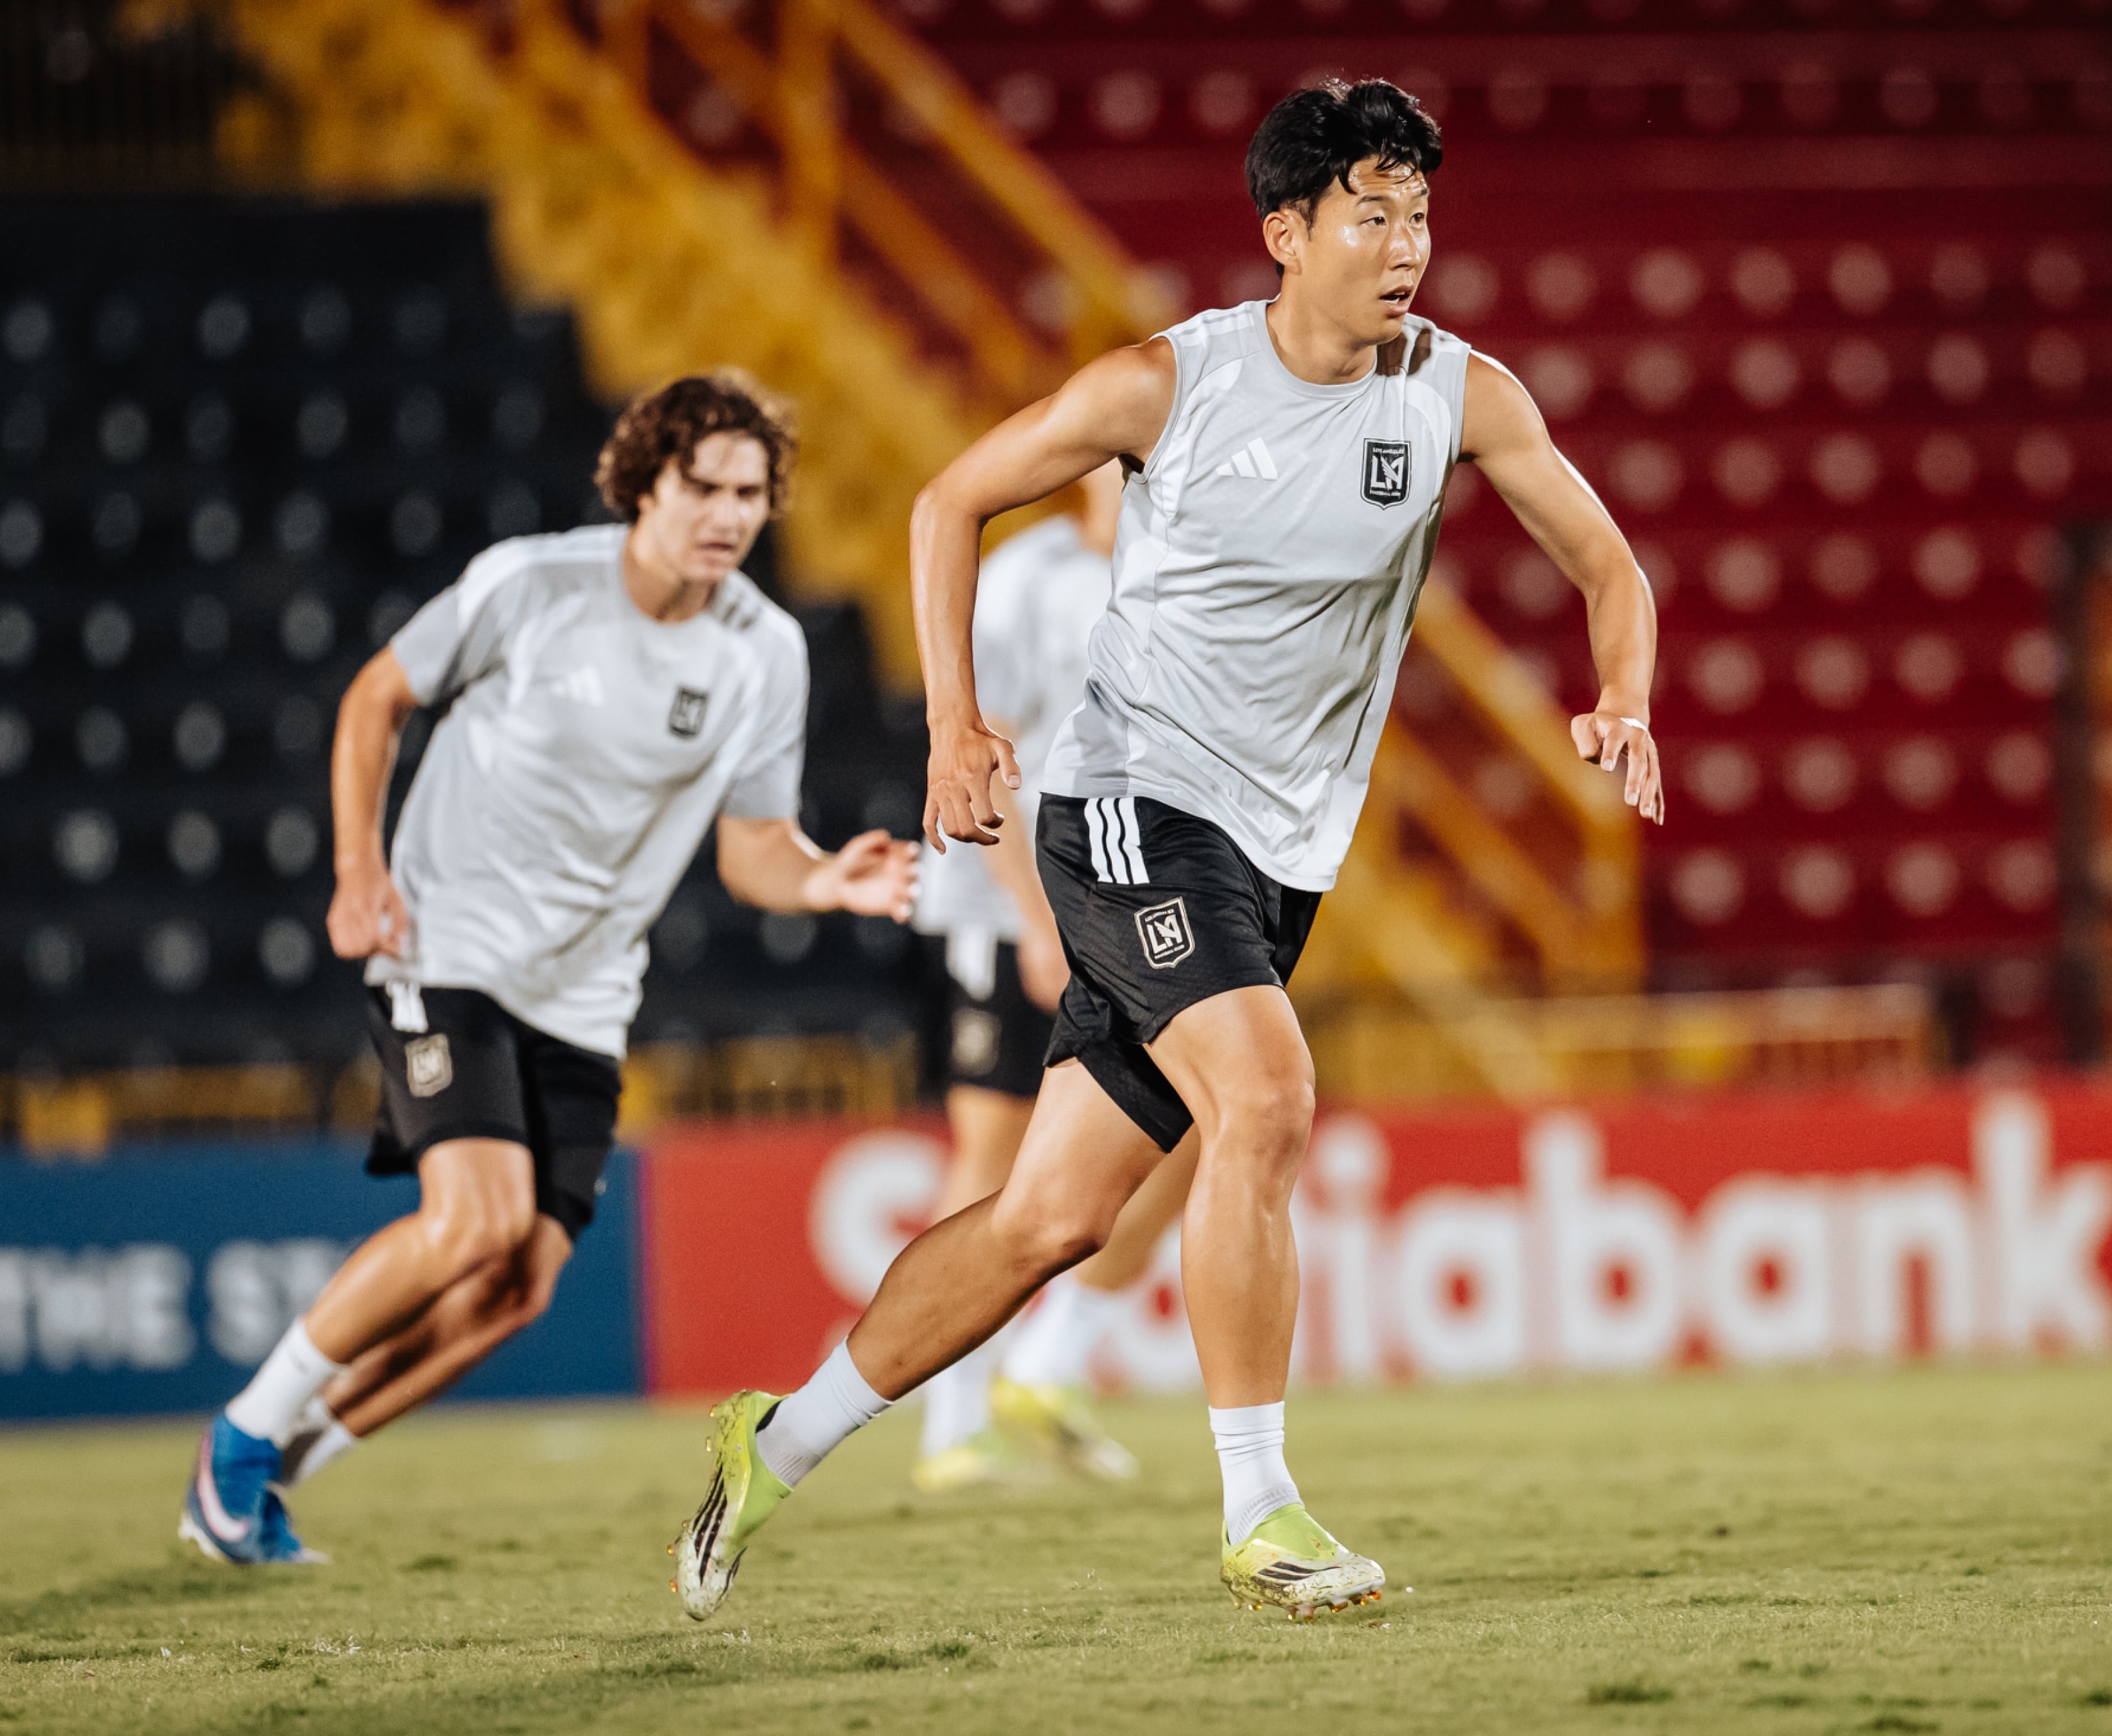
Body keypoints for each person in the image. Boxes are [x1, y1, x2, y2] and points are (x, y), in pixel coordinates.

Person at [669, 79, 1661, 1623]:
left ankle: (773, 1438)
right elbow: (948, 501)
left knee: (1050, 1219)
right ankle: (1259, 1506)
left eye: (1418, 215)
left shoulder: (1458, 394)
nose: (1406, 246)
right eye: (1370, 215)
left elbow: (1606, 561)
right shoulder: (1170, 384)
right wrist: (955, 724)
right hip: (1132, 801)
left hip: (1279, 854)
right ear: (1286, 231)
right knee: (1263, 1095)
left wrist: (1623, 695)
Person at [179, 371, 919, 1566]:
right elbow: (376, 697)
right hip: (447, 943)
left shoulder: (764, 652)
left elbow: (754, 851)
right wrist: (358, 870)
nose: (729, 514)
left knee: (511, 1285)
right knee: (474, 1219)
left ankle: (271, 1475)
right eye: (704, 487)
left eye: (750, 493)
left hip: (585, 992)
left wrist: (827, 878)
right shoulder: (532, 585)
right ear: (645, 482)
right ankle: (239, 1443)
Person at [905, 463, 1196, 1493]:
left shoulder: (1175, 570)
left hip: (1123, 904)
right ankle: (951, 1418)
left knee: (1200, 1125)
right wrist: (1035, 921)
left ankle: (1052, 1361)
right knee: (990, 1153)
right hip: (1009, 908)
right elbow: (986, 760)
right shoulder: (1024, 582)